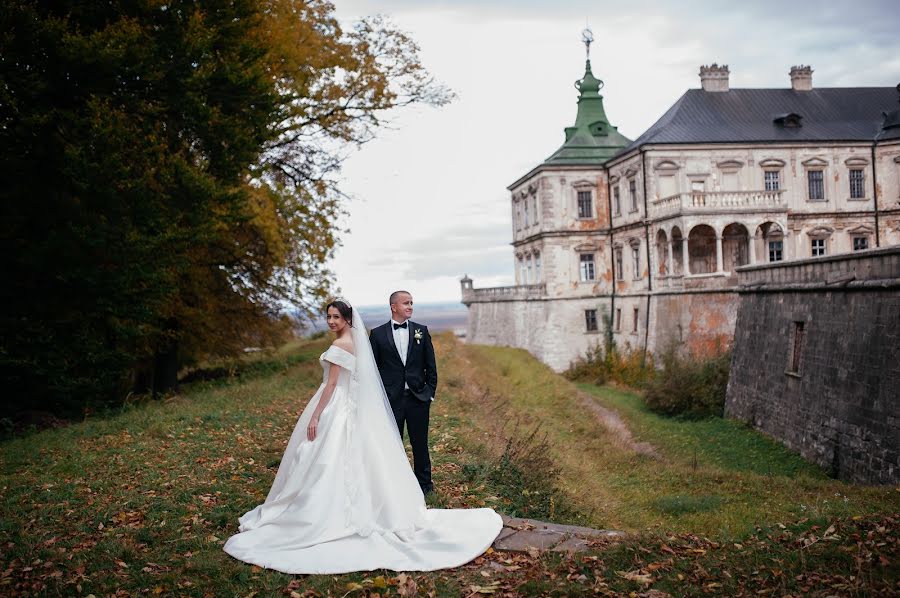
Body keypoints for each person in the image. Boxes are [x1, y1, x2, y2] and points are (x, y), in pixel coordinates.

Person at [223, 299, 502, 575]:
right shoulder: (358, 342)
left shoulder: (339, 345)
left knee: (325, 457)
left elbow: (331, 385)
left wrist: (316, 415)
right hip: (352, 404)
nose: (331, 321)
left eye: (335, 317)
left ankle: (323, 511)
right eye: (328, 316)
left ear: (346, 319)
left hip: (336, 404)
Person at [368, 290, 435, 494]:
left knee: (420, 445)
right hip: (390, 401)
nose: (410, 306)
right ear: (393, 307)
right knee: (391, 445)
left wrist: (429, 394)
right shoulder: (378, 334)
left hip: (417, 399)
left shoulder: (421, 331)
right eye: (406, 303)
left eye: (412, 303)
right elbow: (373, 369)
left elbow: (430, 366)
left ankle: (425, 486)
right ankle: (393, 486)